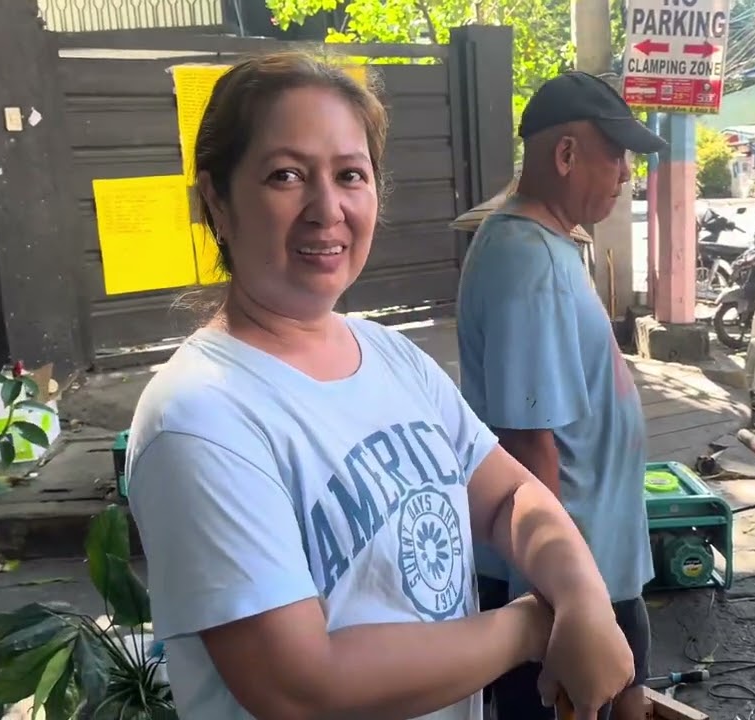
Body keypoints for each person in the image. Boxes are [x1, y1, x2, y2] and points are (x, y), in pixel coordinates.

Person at [124, 53, 636, 720]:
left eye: (350, 175)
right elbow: (300, 687)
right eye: (285, 175)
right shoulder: (199, 418)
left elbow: (511, 495)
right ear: (216, 202)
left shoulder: (391, 356)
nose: (326, 209)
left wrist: (582, 596)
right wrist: (532, 627)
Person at [456, 71, 669, 720]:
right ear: (566, 154)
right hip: (566, 574)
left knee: (630, 685)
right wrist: (555, 601)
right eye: (616, 154)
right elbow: (526, 444)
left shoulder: (546, 245)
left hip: (593, 560)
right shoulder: (530, 262)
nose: (627, 172)